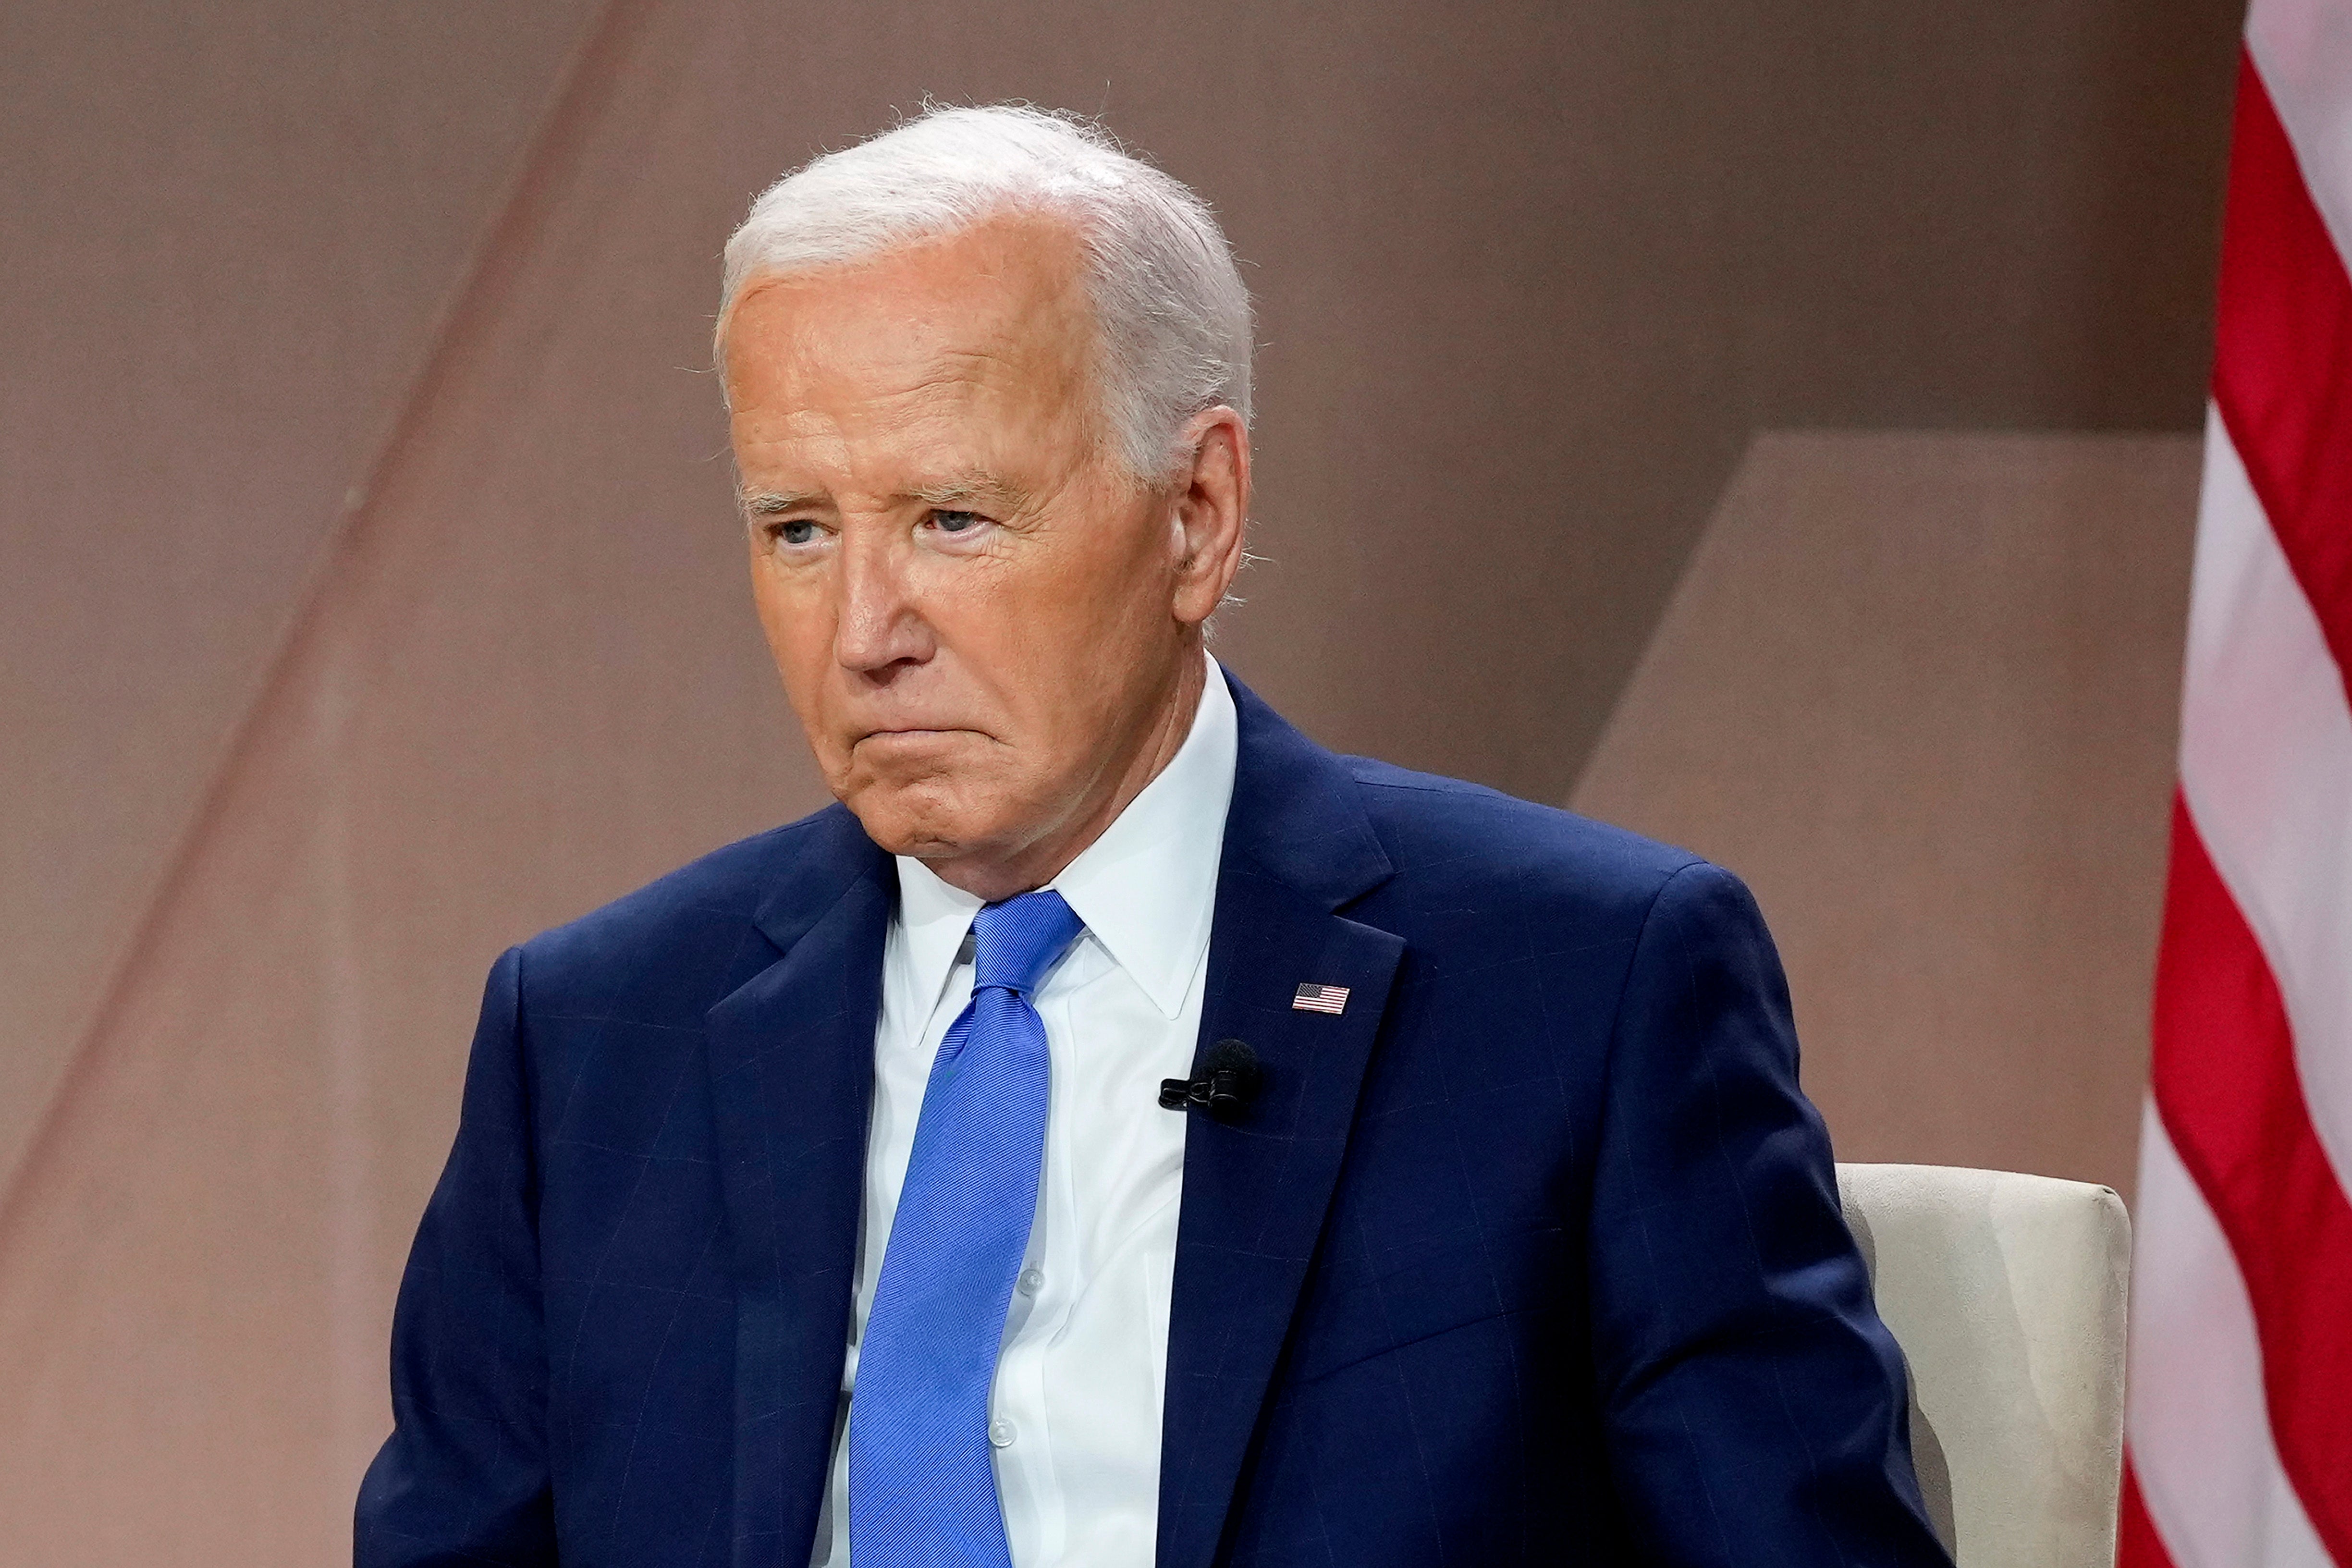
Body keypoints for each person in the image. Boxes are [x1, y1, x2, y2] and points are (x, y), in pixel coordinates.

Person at [355, 105, 1949, 1568]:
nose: (863, 633)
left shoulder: (1585, 990)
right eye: (797, 531)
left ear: (1197, 514)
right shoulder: (588, 1041)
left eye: (952, 519)